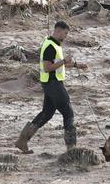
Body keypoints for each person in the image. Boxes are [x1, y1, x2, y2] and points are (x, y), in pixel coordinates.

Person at [16, 20, 87, 153]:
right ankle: (71, 149)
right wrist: (64, 60)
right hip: (53, 84)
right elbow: (47, 67)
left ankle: (22, 141)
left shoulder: (54, 44)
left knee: (47, 113)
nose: (66, 36)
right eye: (65, 33)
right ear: (58, 31)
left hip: (50, 84)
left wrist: (77, 65)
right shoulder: (50, 46)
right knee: (68, 113)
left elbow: (58, 64)